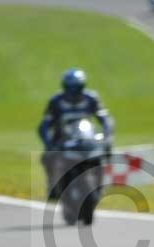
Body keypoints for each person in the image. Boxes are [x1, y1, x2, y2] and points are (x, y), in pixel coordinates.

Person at [38, 69, 114, 200]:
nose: (73, 91)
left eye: (76, 87)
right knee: (47, 157)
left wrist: (107, 136)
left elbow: (105, 119)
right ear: (65, 86)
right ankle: (52, 185)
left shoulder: (91, 98)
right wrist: (49, 144)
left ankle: (99, 185)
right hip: (62, 140)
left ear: (82, 86)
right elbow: (44, 126)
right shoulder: (56, 101)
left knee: (101, 155)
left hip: (86, 138)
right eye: (70, 87)